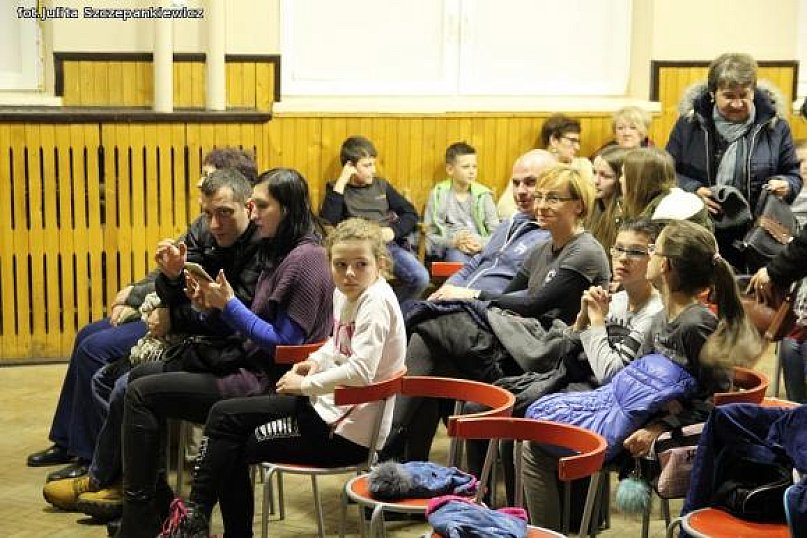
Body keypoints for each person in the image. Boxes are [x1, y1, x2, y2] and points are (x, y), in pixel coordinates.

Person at [108, 168, 335, 538]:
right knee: (140, 379)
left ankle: (142, 522)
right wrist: (210, 307)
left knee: (140, 393)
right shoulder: (279, 250)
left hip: (271, 382)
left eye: (261, 206)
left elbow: (285, 346)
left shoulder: (305, 259)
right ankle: (154, 511)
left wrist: (228, 306)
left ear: (288, 208)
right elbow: (246, 323)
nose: (254, 213)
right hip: (249, 366)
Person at [154, 218, 407, 537]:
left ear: (380, 264)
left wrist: (305, 385)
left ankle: (197, 522)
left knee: (232, 440)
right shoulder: (346, 293)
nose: (349, 273)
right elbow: (336, 342)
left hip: (344, 435)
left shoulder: (376, 302)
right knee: (224, 417)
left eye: (361, 264)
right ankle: (196, 518)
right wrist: (313, 361)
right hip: (323, 410)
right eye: (340, 265)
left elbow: (361, 371)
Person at [41, 168, 265, 518]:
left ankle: (124, 489)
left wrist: (174, 312)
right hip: (201, 345)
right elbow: (184, 296)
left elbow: (229, 320)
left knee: (126, 385)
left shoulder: (262, 250)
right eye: (208, 213)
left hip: (228, 359)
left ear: (249, 207)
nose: (215, 223)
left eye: (224, 213)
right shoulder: (209, 234)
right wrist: (172, 278)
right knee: (106, 373)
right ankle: (111, 478)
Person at [522, 220, 763, 531]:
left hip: (662, 437)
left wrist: (660, 426)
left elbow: (720, 403)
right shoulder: (662, 318)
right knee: (536, 431)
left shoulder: (696, 324)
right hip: (630, 418)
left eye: (653, 249)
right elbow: (631, 377)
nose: (649, 255)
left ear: (666, 265)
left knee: (536, 444)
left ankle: (549, 535)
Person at [384, 164, 611, 462]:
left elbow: (533, 305)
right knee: (431, 354)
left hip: (554, 356)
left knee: (428, 328)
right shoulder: (543, 249)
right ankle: (409, 465)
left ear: (579, 205)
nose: (541, 205)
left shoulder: (585, 251)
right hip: (522, 342)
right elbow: (507, 298)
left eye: (553, 198)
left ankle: (388, 447)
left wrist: (470, 295)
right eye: (540, 196)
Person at [465, 218, 663, 503]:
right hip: (575, 385)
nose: (623, 258)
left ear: (655, 257)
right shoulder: (616, 301)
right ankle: (493, 505)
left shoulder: (654, 313)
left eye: (635, 252)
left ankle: (542, 521)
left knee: (517, 435)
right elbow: (565, 352)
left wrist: (596, 323)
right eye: (618, 249)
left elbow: (611, 375)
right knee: (481, 410)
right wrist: (582, 320)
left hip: (610, 404)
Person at [666, 52, 801, 271]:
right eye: (729, 96)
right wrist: (693, 190)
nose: (737, 104)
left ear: (753, 91)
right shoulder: (689, 125)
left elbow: (793, 174)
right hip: (700, 230)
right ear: (713, 94)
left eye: (744, 95)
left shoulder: (776, 126)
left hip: (755, 235)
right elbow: (667, 172)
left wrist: (786, 184)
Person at [429, 149, 554, 299]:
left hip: (485, 307)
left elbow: (530, 298)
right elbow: (475, 263)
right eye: (515, 183)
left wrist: (470, 295)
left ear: (553, 184)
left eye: (530, 182)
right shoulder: (509, 223)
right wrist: (445, 290)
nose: (520, 191)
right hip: (460, 298)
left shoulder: (552, 236)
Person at [320, 135, 430, 302]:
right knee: (367, 282)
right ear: (350, 166)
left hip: (387, 246)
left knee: (420, 278)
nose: (373, 170)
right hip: (356, 249)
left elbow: (410, 213)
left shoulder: (381, 186)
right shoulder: (337, 189)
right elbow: (328, 222)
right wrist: (342, 180)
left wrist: (393, 231)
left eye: (373, 164)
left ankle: (393, 313)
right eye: (367, 165)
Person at [498, 114, 592, 219]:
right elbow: (503, 207)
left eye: (578, 142)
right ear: (554, 140)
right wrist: (528, 220)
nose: (577, 147)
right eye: (572, 141)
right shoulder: (531, 164)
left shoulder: (582, 166)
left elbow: (588, 203)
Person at [423, 142, 499, 263]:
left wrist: (481, 244)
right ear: (450, 169)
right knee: (459, 261)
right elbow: (429, 236)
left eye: (474, 167)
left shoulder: (483, 194)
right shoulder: (438, 194)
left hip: (480, 247)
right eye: (466, 167)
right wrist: (452, 242)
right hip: (453, 248)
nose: (472, 171)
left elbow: (497, 233)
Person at [620, 147, 712, 230]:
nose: (620, 180)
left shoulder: (668, 214)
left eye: (624, 174)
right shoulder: (650, 205)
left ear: (640, 180)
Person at [586, 146, 627, 255]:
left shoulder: (624, 217)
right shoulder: (589, 207)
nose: (596, 181)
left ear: (620, 179)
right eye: (594, 172)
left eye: (605, 176)